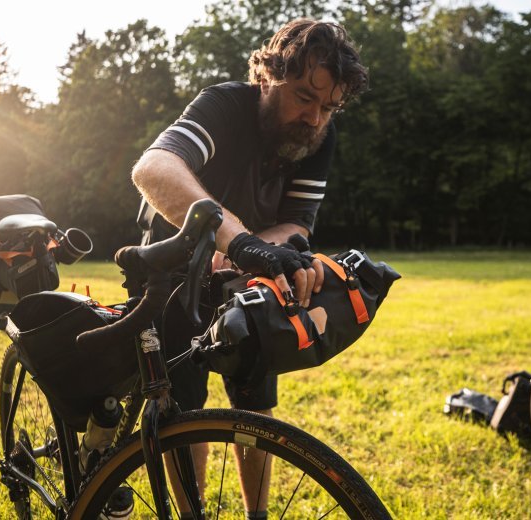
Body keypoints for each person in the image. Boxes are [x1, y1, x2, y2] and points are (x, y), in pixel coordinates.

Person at [131, 19, 368, 518]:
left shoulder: (317, 136)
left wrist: (258, 250)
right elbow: (152, 169)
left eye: (329, 106)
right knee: (186, 411)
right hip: (174, 268)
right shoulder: (225, 105)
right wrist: (237, 241)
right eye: (305, 96)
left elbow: (296, 224)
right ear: (268, 77)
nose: (315, 117)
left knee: (256, 404)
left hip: (247, 273)